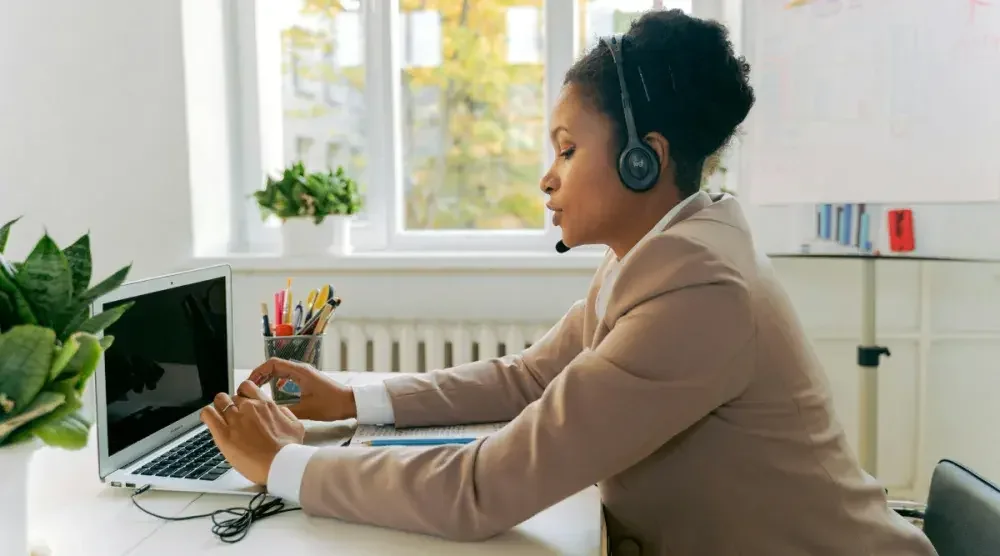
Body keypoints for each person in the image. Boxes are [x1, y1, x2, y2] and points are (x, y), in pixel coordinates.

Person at [200, 10, 937, 556]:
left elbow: (484, 490)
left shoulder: (700, 292)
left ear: (642, 160)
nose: (547, 177)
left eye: (567, 148)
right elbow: (530, 379)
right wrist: (354, 399)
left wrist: (285, 465)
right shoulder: (656, 254)